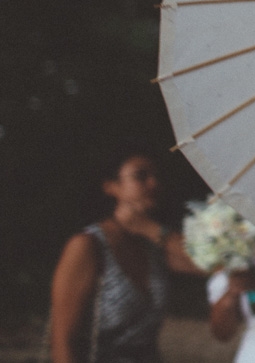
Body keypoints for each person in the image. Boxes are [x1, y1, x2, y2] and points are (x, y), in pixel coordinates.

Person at [49, 148, 202, 363]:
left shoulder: (155, 246)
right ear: (111, 187)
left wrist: (152, 230)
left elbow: (211, 265)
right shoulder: (88, 246)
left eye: (156, 177)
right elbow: (62, 339)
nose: (153, 184)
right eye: (141, 176)